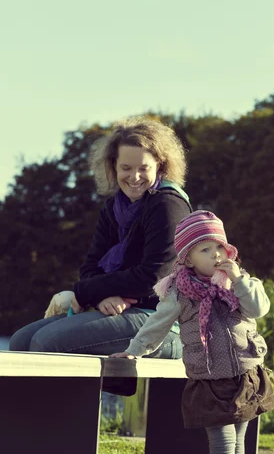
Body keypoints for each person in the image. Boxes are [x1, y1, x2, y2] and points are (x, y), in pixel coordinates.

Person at [111, 210, 274, 454]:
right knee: (221, 435)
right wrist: (135, 350)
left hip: (245, 372)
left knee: (238, 435)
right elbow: (157, 324)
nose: (215, 255)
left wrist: (239, 281)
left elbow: (259, 308)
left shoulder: (240, 283)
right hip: (209, 376)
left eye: (219, 248)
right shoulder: (178, 292)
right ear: (187, 258)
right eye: (205, 249)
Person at [9, 118, 192, 380]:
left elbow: (154, 278)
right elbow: (90, 267)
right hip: (121, 311)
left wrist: (86, 291)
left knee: (45, 343)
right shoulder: (114, 208)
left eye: (144, 168)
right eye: (126, 168)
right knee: (20, 341)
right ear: (113, 167)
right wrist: (100, 297)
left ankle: (64, 422)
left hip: (161, 323)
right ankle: (25, 421)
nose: (134, 177)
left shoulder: (167, 205)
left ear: (160, 166)